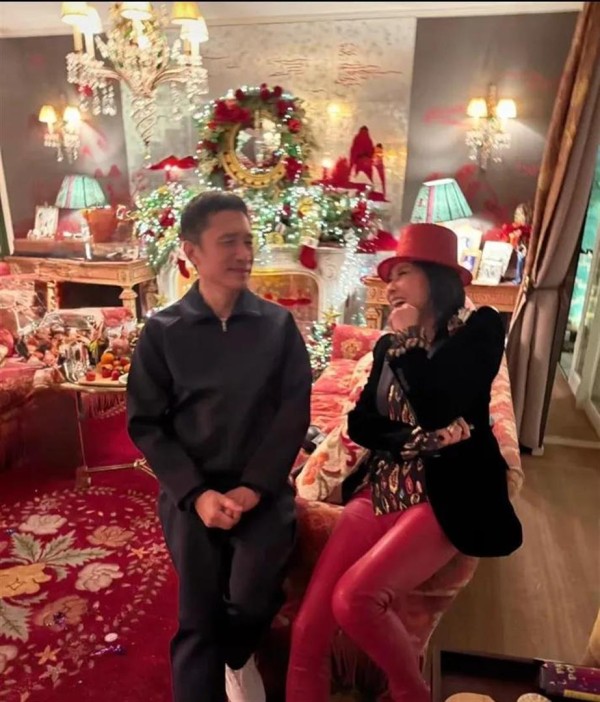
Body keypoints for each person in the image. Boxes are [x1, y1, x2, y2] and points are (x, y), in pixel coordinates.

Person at [286, 222, 523, 702]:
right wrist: (416, 440)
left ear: (436, 277)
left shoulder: (479, 329)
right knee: (308, 628)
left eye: (403, 273)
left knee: (355, 598)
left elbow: (439, 402)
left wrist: (412, 343)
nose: (390, 285)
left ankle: (412, 692)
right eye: (389, 275)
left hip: (447, 494)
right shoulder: (385, 345)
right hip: (382, 488)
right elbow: (362, 423)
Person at [127, 192, 312, 702]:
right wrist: (197, 494)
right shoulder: (162, 332)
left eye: (248, 241)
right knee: (198, 616)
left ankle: (238, 653)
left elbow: (293, 413)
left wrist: (254, 488)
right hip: (192, 495)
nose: (243, 254)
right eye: (228, 242)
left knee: (254, 597)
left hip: (262, 493)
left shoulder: (277, 326)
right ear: (192, 252)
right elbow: (146, 424)